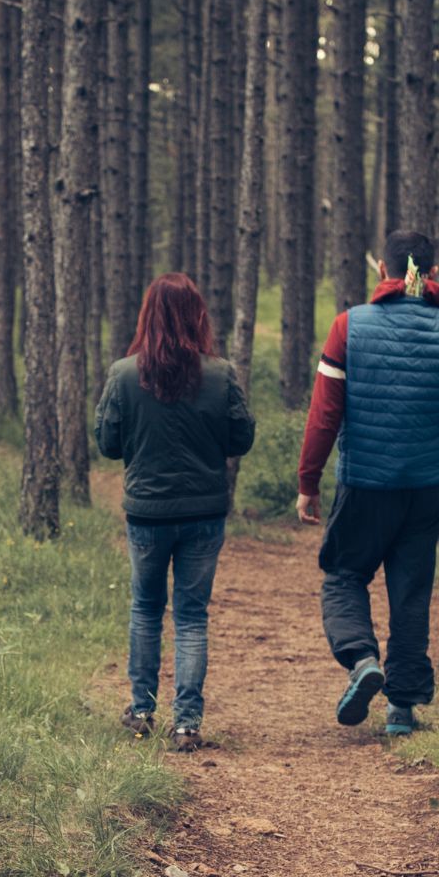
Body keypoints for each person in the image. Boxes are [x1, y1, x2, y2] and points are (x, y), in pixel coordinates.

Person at [294, 227, 439, 736]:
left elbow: (324, 417)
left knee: (343, 575)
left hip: (365, 484)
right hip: (426, 487)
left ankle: (361, 660)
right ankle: (401, 708)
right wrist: (434, 425)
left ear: (383, 269)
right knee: (410, 590)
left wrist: (307, 482)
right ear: (433, 274)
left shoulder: (348, 327)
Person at [96, 273, 256, 752]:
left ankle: (142, 712)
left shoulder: (124, 374)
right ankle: (187, 724)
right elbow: (241, 439)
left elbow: (106, 443)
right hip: (204, 512)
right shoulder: (220, 373)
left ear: (148, 316)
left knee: (145, 609)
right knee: (191, 616)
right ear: (197, 316)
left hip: (146, 514)